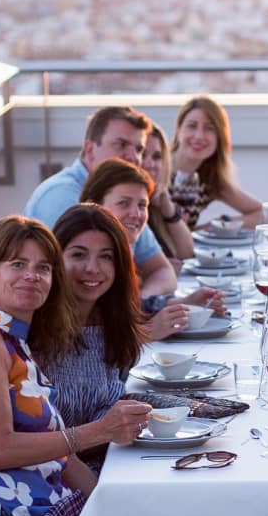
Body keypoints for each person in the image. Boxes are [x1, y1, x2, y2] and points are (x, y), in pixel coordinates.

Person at [0, 216, 150, 516]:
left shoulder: (14, 340)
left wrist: (116, 508)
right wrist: (101, 430)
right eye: (18, 264)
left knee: (161, 515)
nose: (32, 276)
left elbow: (66, 459)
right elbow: (0, 451)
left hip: (49, 505)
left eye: (43, 268)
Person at [23, 106, 178, 299]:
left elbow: (163, 271)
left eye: (139, 149)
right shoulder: (62, 196)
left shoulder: (128, 202)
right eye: (121, 144)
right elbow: (75, 286)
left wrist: (144, 301)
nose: (134, 157)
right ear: (89, 149)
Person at [44, 204, 149, 470]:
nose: (92, 268)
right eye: (79, 254)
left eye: (106, 257)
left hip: (107, 462)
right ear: (56, 260)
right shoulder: (36, 328)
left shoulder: (109, 324)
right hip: (54, 477)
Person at [78, 158, 225, 340]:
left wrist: (183, 303)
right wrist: (145, 332)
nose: (136, 214)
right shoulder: (84, 256)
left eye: (142, 205)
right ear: (94, 205)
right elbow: (80, 343)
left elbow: (131, 304)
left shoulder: (119, 250)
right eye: (124, 203)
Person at [169, 95, 262, 229]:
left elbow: (265, 215)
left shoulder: (210, 180)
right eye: (192, 126)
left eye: (209, 128)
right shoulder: (155, 166)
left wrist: (214, 226)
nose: (199, 136)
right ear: (178, 130)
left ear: (219, 137)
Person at [141, 122, 194, 275]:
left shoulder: (156, 202)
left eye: (157, 157)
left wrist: (168, 207)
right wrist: (156, 268)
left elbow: (186, 253)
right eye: (143, 154)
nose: (150, 164)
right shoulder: (126, 206)